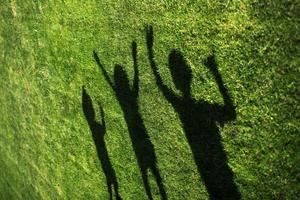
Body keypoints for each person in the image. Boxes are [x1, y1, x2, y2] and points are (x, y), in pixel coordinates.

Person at [146, 25, 241, 200]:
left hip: (209, 170)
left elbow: (161, 85)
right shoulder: (197, 108)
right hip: (218, 169)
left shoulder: (184, 107)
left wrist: (149, 50)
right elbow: (230, 114)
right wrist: (215, 72)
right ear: (190, 73)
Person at [93, 41, 167, 200]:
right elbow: (134, 80)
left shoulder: (123, 98)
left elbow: (111, 81)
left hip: (135, 136)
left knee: (146, 170)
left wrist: (100, 64)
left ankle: (152, 194)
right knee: (153, 170)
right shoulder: (129, 97)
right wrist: (133, 57)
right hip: (140, 133)